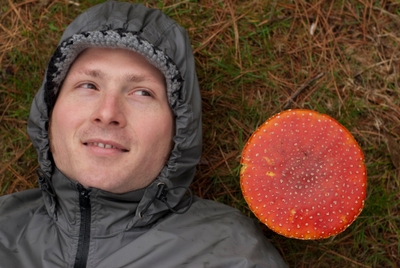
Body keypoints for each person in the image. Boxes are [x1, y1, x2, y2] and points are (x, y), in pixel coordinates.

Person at [0, 1, 287, 267]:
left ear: (179, 130)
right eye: (88, 85)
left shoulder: (233, 254)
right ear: (49, 111)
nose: (108, 112)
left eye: (142, 92)